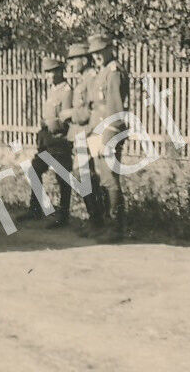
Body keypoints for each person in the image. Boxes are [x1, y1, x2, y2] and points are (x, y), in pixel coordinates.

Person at [16, 57, 74, 228]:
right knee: (34, 169)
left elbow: (67, 116)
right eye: (47, 72)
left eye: (52, 71)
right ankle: (35, 209)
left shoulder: (67, 90)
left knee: (62, 176)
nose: (49, 75)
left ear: (60, 71)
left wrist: (57, 127)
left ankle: (63, 216)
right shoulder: (52, 90)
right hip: (46, 138)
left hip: (60, 138)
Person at [86, 32, 129, 242]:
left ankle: (116, 227)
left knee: (110, 179)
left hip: (108, 132)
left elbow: (115, 107)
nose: (97, 56)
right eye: (94, 53)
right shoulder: (102, 72)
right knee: (101, 177)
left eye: (100, 51)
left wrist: (108, 137)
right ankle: (104, 224)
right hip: (97, 131)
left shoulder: (114, 72)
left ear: (110, 49)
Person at [60, 41, 104, 235]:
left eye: (74, 59)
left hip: (89, 132)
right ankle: (95, 219)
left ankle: (98, 220)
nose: (70, 63)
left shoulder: (92, 79)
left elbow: (91, 109)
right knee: (83, 175)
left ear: (84, 60)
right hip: (80, 133)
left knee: (87, 175)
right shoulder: (83, 79)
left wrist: (71, 114)